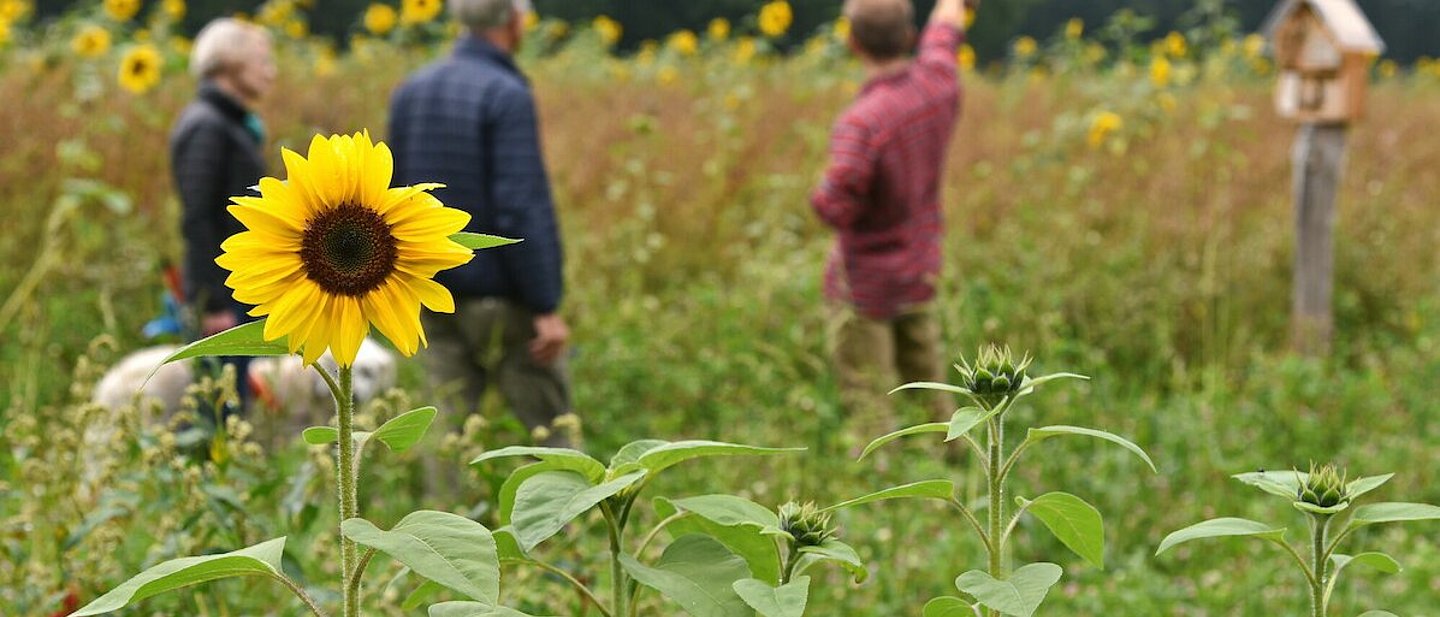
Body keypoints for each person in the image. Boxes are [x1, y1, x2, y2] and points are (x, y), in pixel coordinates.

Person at [388, 0, 574, 446]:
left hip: (431, 291)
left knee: (446, 436)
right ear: (513, 21)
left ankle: (445, 515)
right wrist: (545, 305)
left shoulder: (411, 91)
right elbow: (520, 203)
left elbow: (392, 191)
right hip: (502, 300)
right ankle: (563, 517)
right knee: (550, 436)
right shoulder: (505, 93)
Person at [811, 0, 970, 443]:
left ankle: (879, 482)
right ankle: (955, 470)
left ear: (851, 41)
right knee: (931, 395)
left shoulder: (860, 124)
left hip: (864, 287)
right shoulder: (937, 85)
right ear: (908, 36)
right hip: (919, 268)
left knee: (869, 402)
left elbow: (832, 206)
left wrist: (821, 192)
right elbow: (945, 30)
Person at [170, 18, 276, 415]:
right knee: (219, 408)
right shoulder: (207, 126)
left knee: (232, 399)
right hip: (222, 292)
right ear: (230, 62)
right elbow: (197, 217)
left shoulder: (226, 123)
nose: (272, 71)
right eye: (263, 60)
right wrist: (213, 302)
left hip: (238, 284)